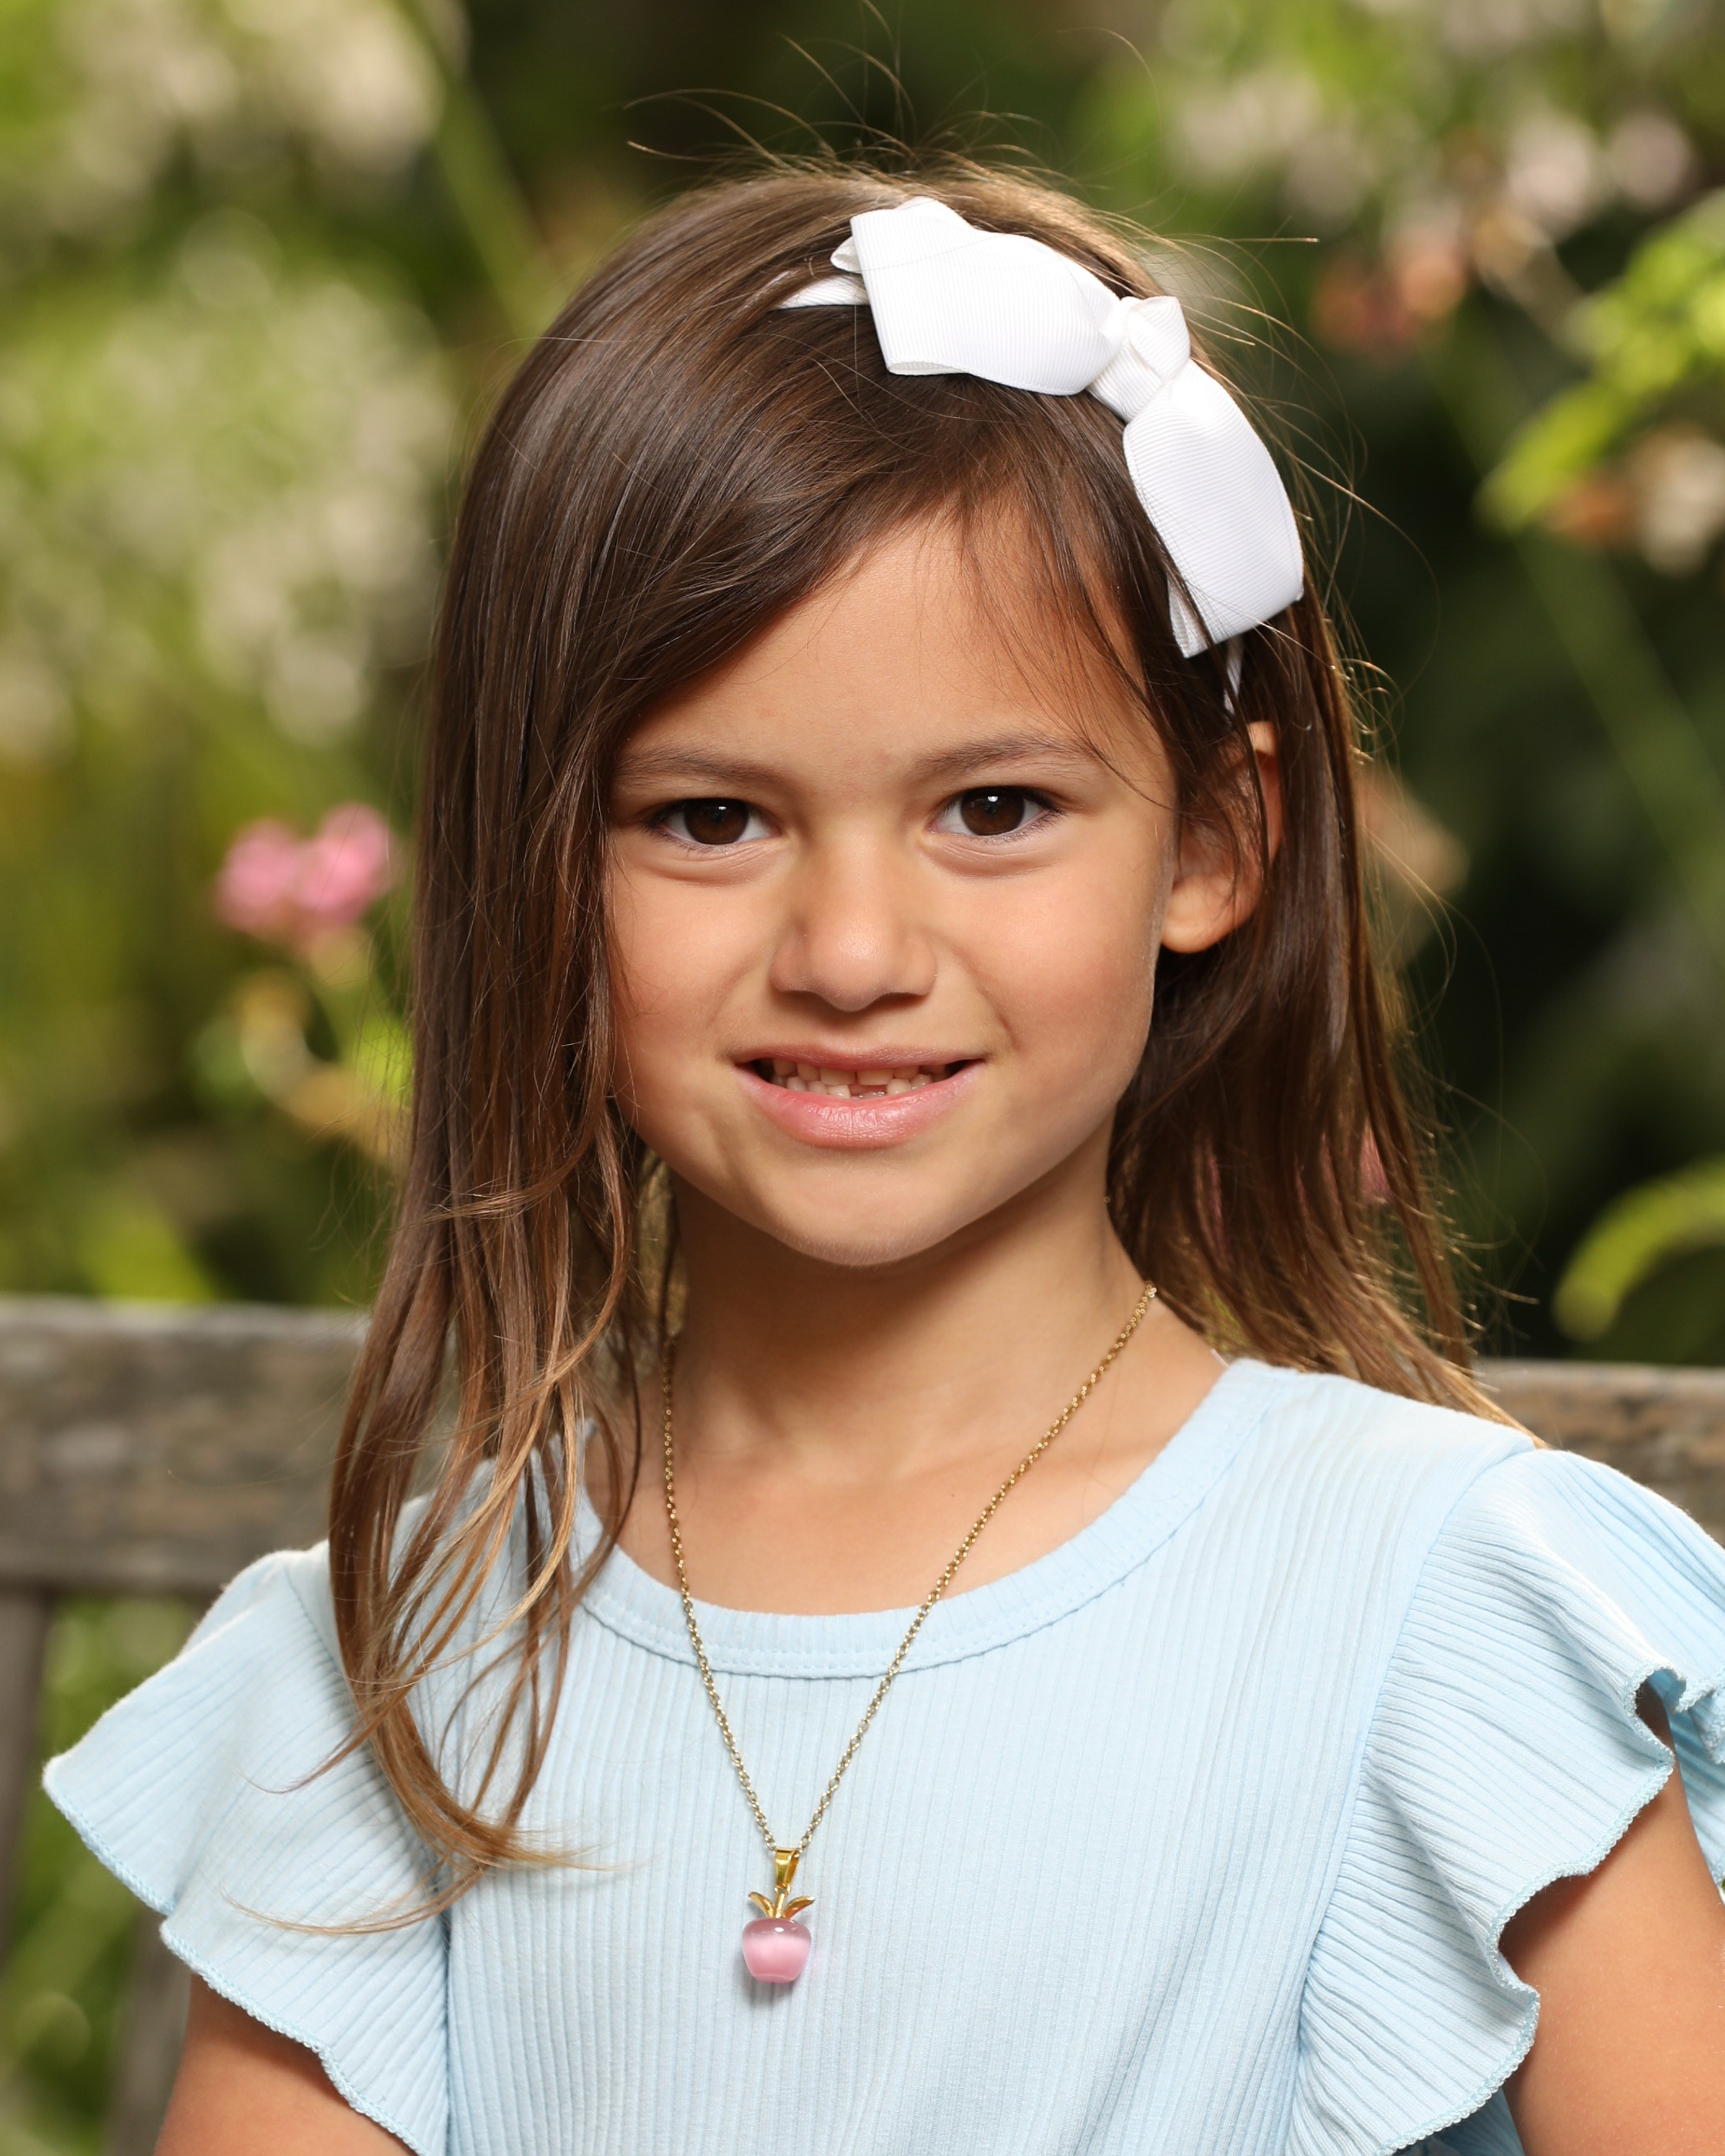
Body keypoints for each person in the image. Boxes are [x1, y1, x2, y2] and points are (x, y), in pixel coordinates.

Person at [45, 164, 1725, 2156]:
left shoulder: (1434, 1615)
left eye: (993, 808)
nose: (851, 953)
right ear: (536, 867)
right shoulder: (399, 1679)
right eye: (711, 819)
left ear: (1213, 844)